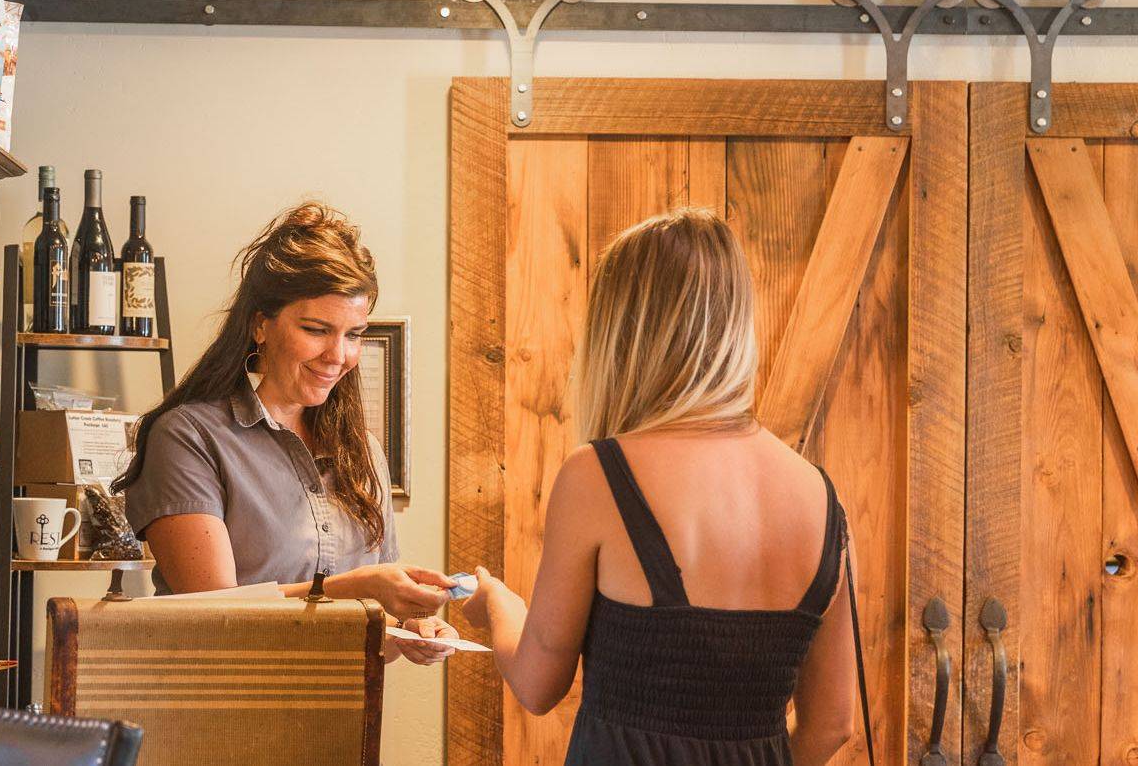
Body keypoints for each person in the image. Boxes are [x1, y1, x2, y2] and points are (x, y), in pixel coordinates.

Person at [461, 207, 860, 764]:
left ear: (623, 334)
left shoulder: (597, 476)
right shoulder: (821, 498)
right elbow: (833, 723)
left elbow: (537, 683)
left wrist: (495, 603)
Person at [119, 200, 457, 666]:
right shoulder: (188, 438)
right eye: (317, 330)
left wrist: (409, 628)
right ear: (260, 324)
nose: (338, 355)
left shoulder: (362, 450)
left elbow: (374, 625)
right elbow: (215, 618)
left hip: (341, 725)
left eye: (354, 334)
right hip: (218, 723)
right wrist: (358, 591)